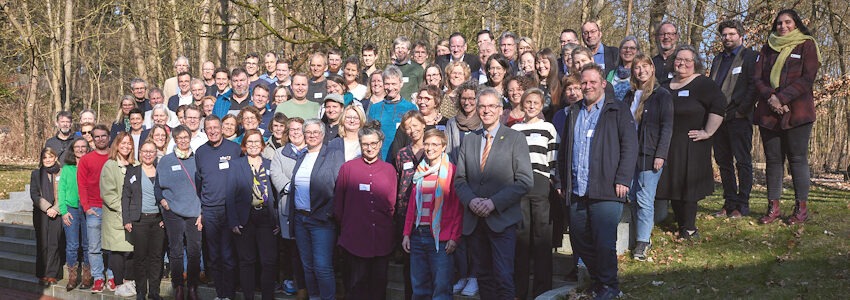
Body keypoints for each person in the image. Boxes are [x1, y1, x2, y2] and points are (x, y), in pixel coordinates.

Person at [557, 64, 637, 300]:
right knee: (580, 242)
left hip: (607, 188)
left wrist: (623, 177)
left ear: (603, 83)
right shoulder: (572, 112)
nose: (588, 86)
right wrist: (561, 180)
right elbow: (564, 150)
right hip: (577, 189)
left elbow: (630, 146)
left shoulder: (618, 110)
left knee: (604, 242)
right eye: (584, 82)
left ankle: (609, 286)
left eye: (593, 82)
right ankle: (598, 281)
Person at [454, 87, 533, 299]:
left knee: (503, 278)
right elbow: (460, 180)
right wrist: (471, 202)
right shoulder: (469, 140)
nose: (486, 110)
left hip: (502, 220)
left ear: (500, 110)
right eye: (482, 106)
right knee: (484, 278)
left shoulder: (515, 138)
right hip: (475, 221)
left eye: (491, 106)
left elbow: (525, 181)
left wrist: (493, 203)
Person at [754, 9, 821, 225]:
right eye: (779, 23)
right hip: (769, 113)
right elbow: (757, 78)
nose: (783, 26)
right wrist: (771, 97)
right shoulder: (767, 48)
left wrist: (782, 98)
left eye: (787, 22)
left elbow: (807, 78)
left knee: (797, 159)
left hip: (798, 112)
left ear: (796, 24)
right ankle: (773, 208)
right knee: (773, 161)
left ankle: (801, 209)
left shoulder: (807, 45)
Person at [657, 45, 725, 239]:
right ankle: (680, 222)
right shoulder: (664, 85)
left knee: (688, 186)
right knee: (673, 184)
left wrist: (708, 131)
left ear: (695, 63)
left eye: (687, 60)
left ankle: (689, 228)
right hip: (669, 144)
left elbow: (719, 105)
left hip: (692, 143)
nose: (682, 64)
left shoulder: (703, 84)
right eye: (679, 59)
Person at [334, 121, 398, 300]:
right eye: (365, 144)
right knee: (355, 287)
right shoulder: (348, 168)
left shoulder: (389, 170)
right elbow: (339, 204)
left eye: (373, 144)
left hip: (381, 238)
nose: (369, 148)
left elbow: (392, 203)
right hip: (354, 239)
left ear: (380, 144)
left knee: (378, 285)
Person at [401, 129, 462, 300]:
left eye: (435, 144)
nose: (430, 148)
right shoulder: (420, 171)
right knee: (419, 288)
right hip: (418, 234)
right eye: (427, 144)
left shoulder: (451, 171)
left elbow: (458, 208)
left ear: (443, 147)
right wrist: (406, 233)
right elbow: (412, 206)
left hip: (441, 238)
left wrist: (454, 237)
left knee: (441, 288)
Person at [623, 54, 674, 261]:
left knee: (645, 198)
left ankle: (643, 241)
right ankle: (637, 237)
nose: (641, 70)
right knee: (633, 197)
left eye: (645, 66)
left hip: (650, 153)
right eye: (637, 67)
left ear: (652, 69)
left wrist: (660, 154)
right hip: (631, 155)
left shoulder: (662, 95)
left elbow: (667, 127)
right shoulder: (629, 95)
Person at [510, 88, 559, 299]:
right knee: (521, 239)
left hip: (540, 182)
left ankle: (542, 290)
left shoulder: (548, 127)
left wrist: (553, 179)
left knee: (541, 238)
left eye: (535, 103)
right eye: (527, 102)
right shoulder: (515, 129)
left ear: (541, 105)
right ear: (522, 104)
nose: (531, 106)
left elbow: (553, 155)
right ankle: (519, 291)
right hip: (520, 184)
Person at [289, 119, 345, 300]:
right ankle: (314, 297)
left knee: (322, 266)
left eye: (316, 132)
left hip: (322, 220)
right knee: (308, 265)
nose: (312, 135)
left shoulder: (333, 154)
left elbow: (340, 187)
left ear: (322, 134)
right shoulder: (302, 156)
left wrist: (329, 212)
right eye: (308, 132)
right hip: (300, 219)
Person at [710, 19, 758, 218]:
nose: (727, 38)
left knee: (743, 161)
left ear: (740, 35)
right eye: (724, 35)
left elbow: (754, 86)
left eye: (731, 34)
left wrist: (742, 110)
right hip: (718, 118)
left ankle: (742, 205)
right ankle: (729, 202)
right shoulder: (718, 59)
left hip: (739, 117)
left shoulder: (750, 57)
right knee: (724, 162)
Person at [226, 129, 280, 300]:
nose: (254, 145)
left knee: (268, 261)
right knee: (246, 261)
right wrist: (233, 221)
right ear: (244, 145)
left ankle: (267, 297)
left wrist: (277, 219)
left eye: (257, 142)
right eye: (250, 142)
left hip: (266, 218)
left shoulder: (270, 164)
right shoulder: (236, 165)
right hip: (245, 218)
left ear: (262, 145)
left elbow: (276, 195)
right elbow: (230, 195)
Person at [195, 115, 243, 300]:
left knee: (228, 255)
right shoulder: (201, 152)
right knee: (214, 255)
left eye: (216, 127)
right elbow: (199, 182)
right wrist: (202, 209)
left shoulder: (234, 149)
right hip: (210, 210)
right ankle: (220, 294)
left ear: (222, 128)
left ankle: (229, 295)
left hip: (229, 210)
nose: (213, 131)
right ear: (205, 130)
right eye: (209, 128)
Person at [156, 125, 203, 300]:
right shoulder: (166, 161)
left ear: (190, 138)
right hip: (173, 213)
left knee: (194, 251)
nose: (183, 140)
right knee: (175, 251)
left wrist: (202, 211)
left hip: (194, 212)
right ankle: (178, 287)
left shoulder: (198, 159)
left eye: (186, 137)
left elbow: (204, 186)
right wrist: (162, 201)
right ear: (174, 140)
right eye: (179, 138)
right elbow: (157, 187)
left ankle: (192, 286)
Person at [391, 110, 428, 299]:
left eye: (415, 125)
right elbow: (398, 179)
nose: (412, 130)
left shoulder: (432, 149)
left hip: (428, 211)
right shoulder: (402, 154)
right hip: (405, 212)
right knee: (408, 260)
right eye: (408, 127)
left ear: (423, 124)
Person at [269, 117, 308, 297]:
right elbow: (276, 174)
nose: (295, 132)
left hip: (308, 207)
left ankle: (307, 284)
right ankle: (293, 281)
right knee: (291, 249)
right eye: (291, 129)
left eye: (299, 129)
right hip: (287, 207)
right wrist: (295, 186)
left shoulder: (312, 151)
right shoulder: (280, 153)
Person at [121, 141, 164, 300]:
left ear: (156, 153)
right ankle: (141, 291)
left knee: (156, 257)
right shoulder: (133, 172)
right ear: (140, 152)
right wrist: (127, 219)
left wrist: (165, 218)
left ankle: (154, 291)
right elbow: (125, 197)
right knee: (140, 257)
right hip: (139, 221)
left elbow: (169, 194)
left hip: (158, 221)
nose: (148, 154)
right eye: (145, 151)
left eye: (151, 151)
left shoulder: (161, 171)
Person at [99, 132, 137, 297]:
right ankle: (119, 284)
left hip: (133, 216)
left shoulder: (136, 165)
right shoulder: (110, 165)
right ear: (117, 145)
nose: (126, 146)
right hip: (116, 216)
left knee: (132, 250)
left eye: (129, 143)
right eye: (123, 143)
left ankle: (129, 282)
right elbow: (108, 194)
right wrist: (125, 211)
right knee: (118, 251)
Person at [77, 124, 112, 293]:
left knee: (112, 245)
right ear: (92, 138)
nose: (100, 139)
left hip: (113, 209)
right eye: (96, 136)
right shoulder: (86, 159)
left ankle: (112, 276)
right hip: (94, 209)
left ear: (109, 137)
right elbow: (82, 185)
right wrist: (86, 207)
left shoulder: (115, 156)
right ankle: (98, 277)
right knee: (94, 247)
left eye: (103, 136)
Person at [59, 138, 92, 291]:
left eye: (83, 147)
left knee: (88, 244)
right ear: (73, 150)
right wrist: (63, 211)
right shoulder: (67, 168)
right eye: (77, 147)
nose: (80, 149)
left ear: (87, 148)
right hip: (71, 208)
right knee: (72, 245)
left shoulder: (91, 165)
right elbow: (61, 190)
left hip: (88, 208)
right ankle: (72, 277)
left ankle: (87, 276)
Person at [367, 65, 418, 160]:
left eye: (394, 84)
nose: (390, 88)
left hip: (402, 159)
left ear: (401, 83)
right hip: (379, 159)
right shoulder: (375, 108)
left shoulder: (410, 108)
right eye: (387, 84)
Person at [30, 147, 63, 286]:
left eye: (51, 156)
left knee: (54, 244)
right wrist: (47, 208)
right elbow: (34, 194)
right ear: (41, 159)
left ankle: (52, 274)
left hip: (58, 212)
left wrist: (56, 208)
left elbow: (65, 193)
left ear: (55, 157)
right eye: (45, 157)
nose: (48, 160)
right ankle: (42, 273)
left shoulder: (62, 173)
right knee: (43, 244)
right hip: (41, 213)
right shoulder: (36, 174)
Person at [445, 81, 481, 164]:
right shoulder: (452, 123)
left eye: (471, 98)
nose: (466, 102)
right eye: (463, 98)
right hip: (456, 171)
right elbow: (448, 151)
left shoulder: (483, 122)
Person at [607, 36, 641, 101]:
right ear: (619, 51)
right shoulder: (612, 74)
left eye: (632, 48)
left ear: (637, 52)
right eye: (625, 48)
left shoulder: (640, 73)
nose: (628, 50)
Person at [391, 36, 425, 100]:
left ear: (408, 51)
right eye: (397, 48)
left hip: (411, 108)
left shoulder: (417, 69)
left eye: (403, 48)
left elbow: (422, 90)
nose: (400, 50)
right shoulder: (390, 70)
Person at [536, 48, 563, 120]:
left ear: (552, 63)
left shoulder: (560, 83)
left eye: (544, 62)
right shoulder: (532, 84)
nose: (541, 66)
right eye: (538, 62)